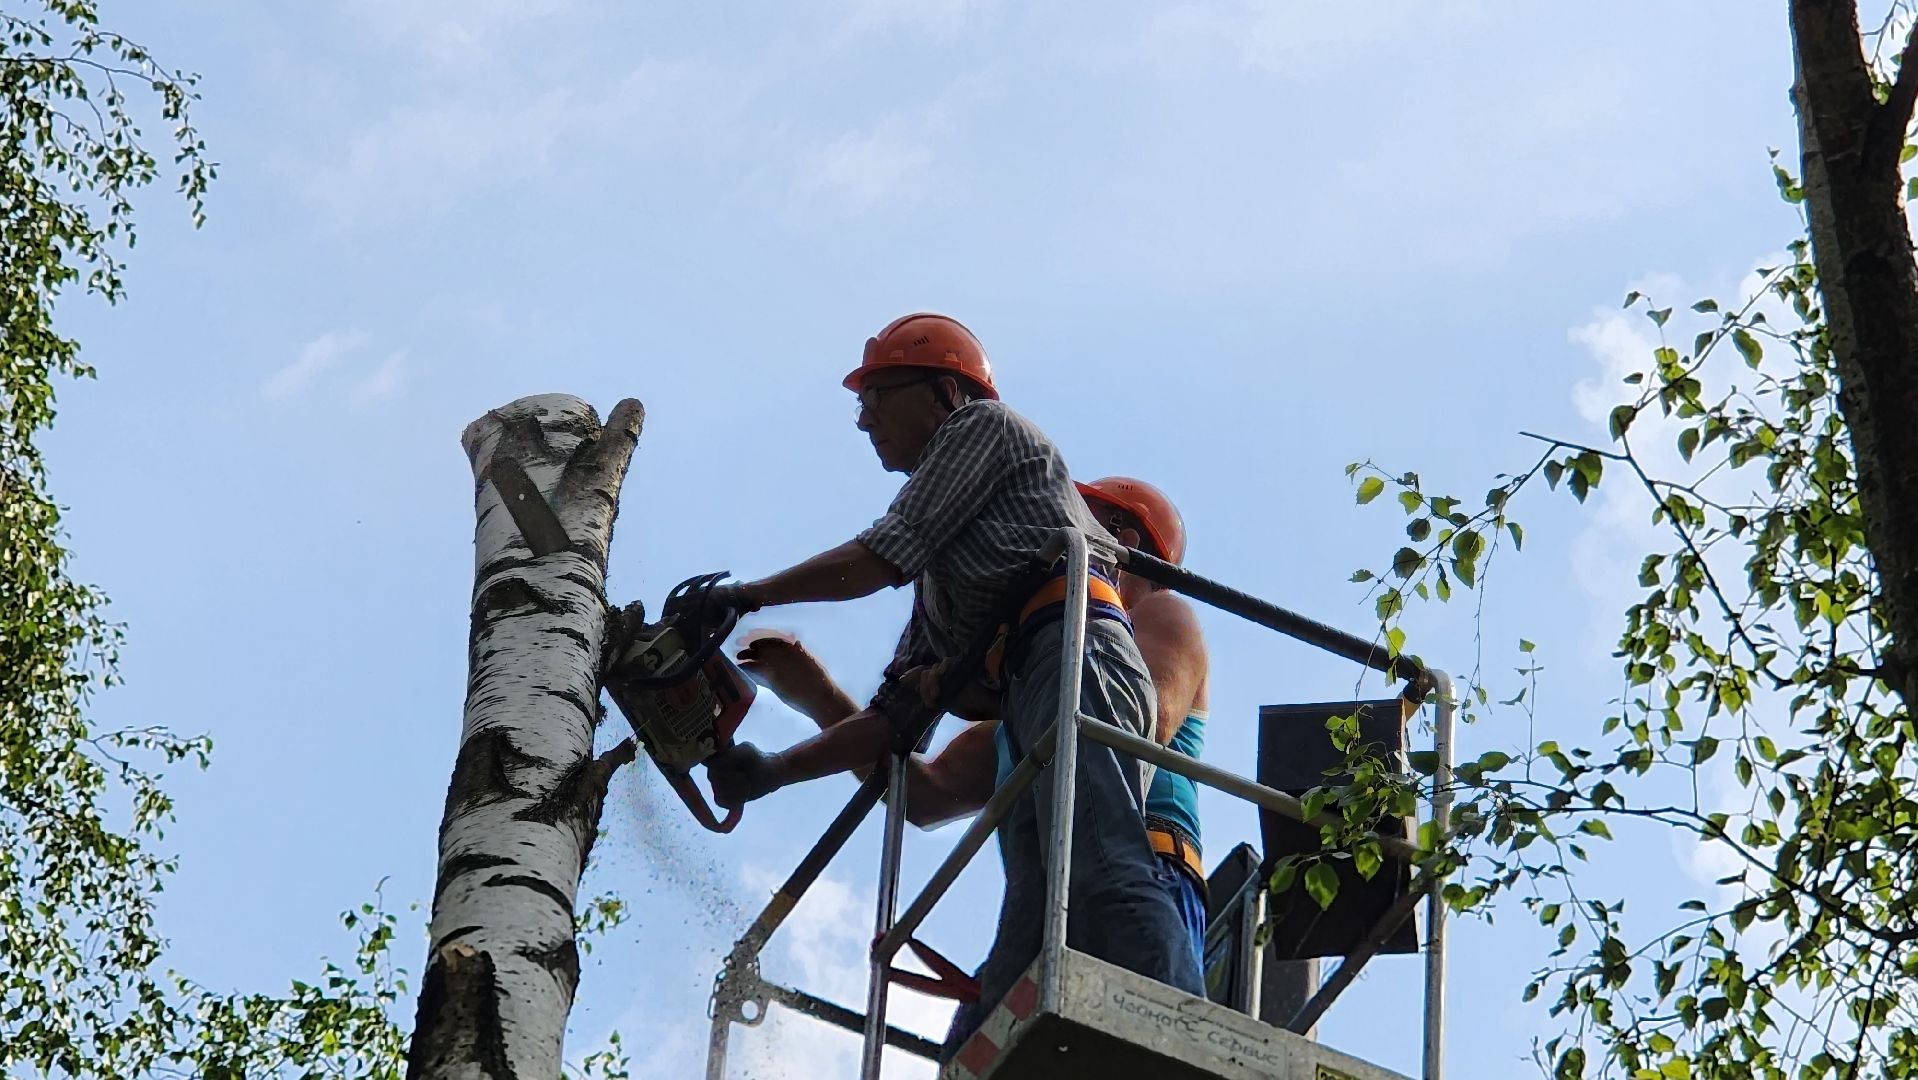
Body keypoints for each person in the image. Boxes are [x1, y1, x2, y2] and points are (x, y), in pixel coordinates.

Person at [700, 313, 1204, 1057]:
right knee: (1029, 915)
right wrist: (774, 772)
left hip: (1072, 655)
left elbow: (879, 555)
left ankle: (1175, 1044)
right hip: (1038, 673)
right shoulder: (953, 586)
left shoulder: (984, 430)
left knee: (1096, 861)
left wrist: (749, 594)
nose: (862, 416)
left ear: (943, 394)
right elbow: (898, 724)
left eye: (879, 393)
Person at [735, 475, 1212, 962]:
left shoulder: (1160, 611)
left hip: (1147, 866)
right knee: (990, 1030)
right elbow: (926, 796)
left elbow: (1142, 720)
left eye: (1076, 518)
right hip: (1047, 887)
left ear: (1120, 536)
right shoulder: (1035, 715)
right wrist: (818, 695)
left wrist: (979, 685)